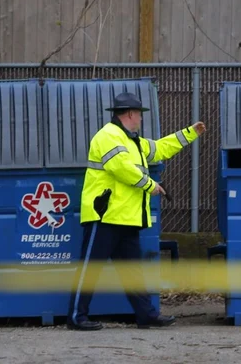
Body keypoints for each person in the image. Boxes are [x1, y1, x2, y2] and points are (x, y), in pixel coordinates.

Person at [67, 92, 206, 331]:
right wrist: (150, 185)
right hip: (105, 216)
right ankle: (76, 317)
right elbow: (122, 167)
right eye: (139, 115)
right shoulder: (108, 136)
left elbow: (161, 148)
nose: (141, 119)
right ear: (130, 114)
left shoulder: (134, 142)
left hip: (125, 218)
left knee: (132, 272)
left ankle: (146, 315)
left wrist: (190, 132)